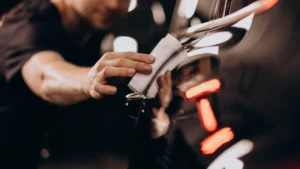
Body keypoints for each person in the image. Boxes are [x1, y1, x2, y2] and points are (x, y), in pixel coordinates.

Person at [0, 0, 169, 168]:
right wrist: (88, 79)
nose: (114, 5)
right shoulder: (26, 26)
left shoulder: (90, 28)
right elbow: (45, 76)